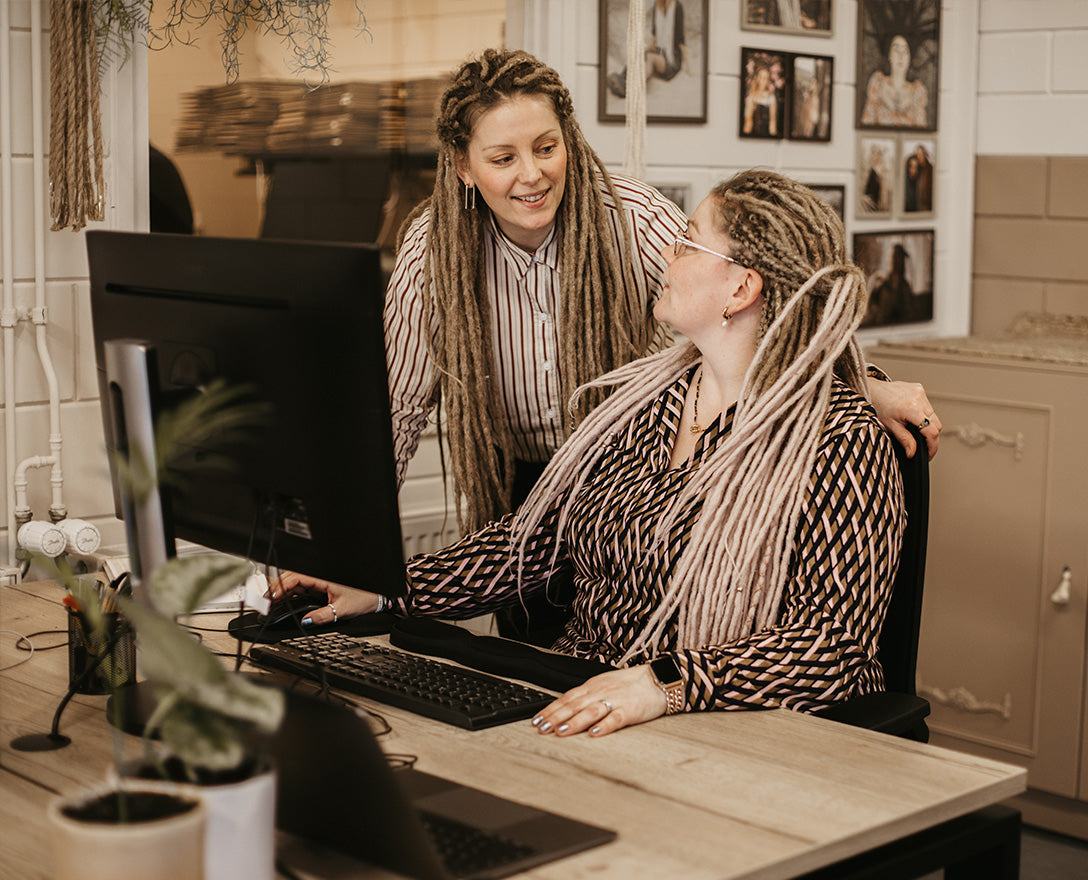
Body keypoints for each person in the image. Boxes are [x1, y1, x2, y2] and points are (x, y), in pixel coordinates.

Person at [273, 171, 915, 737]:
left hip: (723, 731)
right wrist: (387, 590)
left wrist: (662, 683)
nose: (667, 249)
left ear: (741, 288)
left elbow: (830, 648)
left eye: (688, 239)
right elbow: (536, 543)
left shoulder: (840, 443)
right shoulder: (643, 403)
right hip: (586, 699)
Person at [386, 48, 939, 642]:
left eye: (547, 148)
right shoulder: (435, 250)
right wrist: (364, 574)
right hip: (551, 484)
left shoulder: (629, 216)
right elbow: (399, 410)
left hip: (624, 468)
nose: (532, 174)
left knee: (646, 632)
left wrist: (855, 388)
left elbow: (761, 286)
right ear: (464, 167)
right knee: (545, 653)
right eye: (503, 158)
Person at [607, 0, 688, 100]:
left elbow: (681, 40)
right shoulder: (657, 6)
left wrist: (687, 66)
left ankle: (630, 89)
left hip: (672, 59)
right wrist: (645, 49)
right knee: (640, 53)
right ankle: (622, 79)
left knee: (650, 58)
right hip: (661, 52)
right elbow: (654, 36)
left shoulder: (677, 7)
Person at [860, 35, 928, 128]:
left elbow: (921, 131)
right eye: (896, 50)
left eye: (905, 51)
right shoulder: (877, 82)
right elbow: (867, 121)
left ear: (910, 57)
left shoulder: (918, 90)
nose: (901, 56)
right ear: (889, 55)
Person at [742, 63, 778, 136]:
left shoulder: (771, 98)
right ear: (757, 78)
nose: (762, 81)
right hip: (752, 134)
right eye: (761, 77)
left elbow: (772, 121)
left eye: (765, 78)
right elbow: (748, 120)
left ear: (768, 80)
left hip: (766, 135)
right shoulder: (751, 97)